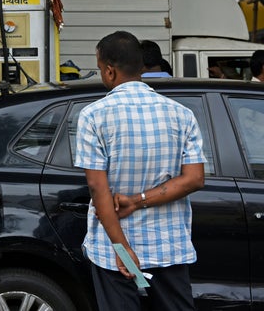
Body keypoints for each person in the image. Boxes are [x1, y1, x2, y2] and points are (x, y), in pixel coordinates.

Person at [74, 31, 206, 311]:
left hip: (113, 252)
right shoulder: (181, 114)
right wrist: (138, 200)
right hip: (168, 247)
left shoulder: (94, 115)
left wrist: (123, 250)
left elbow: (99, 190)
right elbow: (194, 179)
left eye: (100, 69)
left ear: (109, 71)